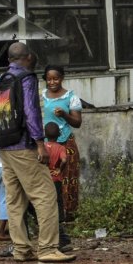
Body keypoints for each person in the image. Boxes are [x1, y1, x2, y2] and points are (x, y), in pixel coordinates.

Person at [0, 42, 75, 263]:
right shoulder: (26, 78)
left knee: (15, 200)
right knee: (46, 195)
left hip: (4, 147)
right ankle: (48, 248)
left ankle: (21, 249)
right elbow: (31, 112)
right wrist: (40, 143)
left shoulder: (2, 80)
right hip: (23, 146)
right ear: (27, 57)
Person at [41, 65, 83, 218]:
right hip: (47, 145)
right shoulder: (42, 95)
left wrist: (65, 114)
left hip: (66, 142)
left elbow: (77, 122)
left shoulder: (71, 97)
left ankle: (69, 213)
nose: (52, 82)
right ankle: (51, 214)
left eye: (55, 78)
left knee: (69, 177)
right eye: (49, 79)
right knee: (49, 178)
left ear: (62, 78)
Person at [43, 121, 72, 252]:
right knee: (58, 205)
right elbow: (65, 160)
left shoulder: (43, 147)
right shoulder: (60, 148)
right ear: (59, 134)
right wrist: (60, 170)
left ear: (44, 134)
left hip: (44, 180)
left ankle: (54, 236)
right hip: (56, 180)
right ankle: (61, 236)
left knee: (47, 205)